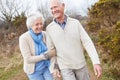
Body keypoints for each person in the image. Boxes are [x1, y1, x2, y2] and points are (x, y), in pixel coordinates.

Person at [46, 0, 102, 80]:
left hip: (81, 65)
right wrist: (54, 68)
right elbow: (51, 51)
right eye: (51, 8)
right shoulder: (49, 29)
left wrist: (96, 62)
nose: (53, 10)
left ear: (63, 5)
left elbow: (87, 42)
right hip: (65, 67)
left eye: (55, 7)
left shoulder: (75, 23)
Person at [19, 11, 55, 80]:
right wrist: (45, 56)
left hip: (46, 67)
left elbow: (51, 49)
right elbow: (28, 59)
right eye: (37, 24)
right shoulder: (23, 38)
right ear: (31, 25)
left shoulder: (44, 34)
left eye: (41, 24)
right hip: (34, 71)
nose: (40, 26)